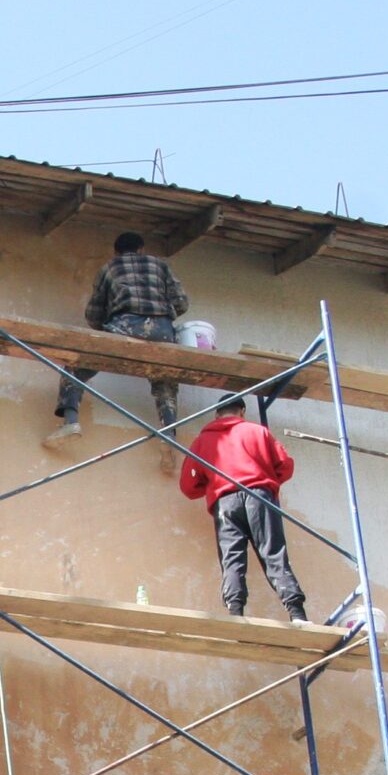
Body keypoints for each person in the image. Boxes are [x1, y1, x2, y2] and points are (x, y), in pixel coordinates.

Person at [50, 231, 190, 446]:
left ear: (116, 252)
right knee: (165, 377)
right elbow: (181, 302)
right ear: (141, 248)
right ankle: (169, 434)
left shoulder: (109, 268)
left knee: (76, 367)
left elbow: (93, 314)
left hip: (125, 326)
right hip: (162, 330)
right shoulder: (160, 265)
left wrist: (108, 328)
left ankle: (70, 422)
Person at [177, 397, 309, 622]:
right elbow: (285, 465)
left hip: (225, 501)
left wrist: (212, 484)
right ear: (242, 411)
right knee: (273, 552)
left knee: (232, 557)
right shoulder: (258, 432)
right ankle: (297, 613)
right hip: (260, 495)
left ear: (217, 415)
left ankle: (235, 612)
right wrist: (266, 477)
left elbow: (188, 486)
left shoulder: (203, 440)